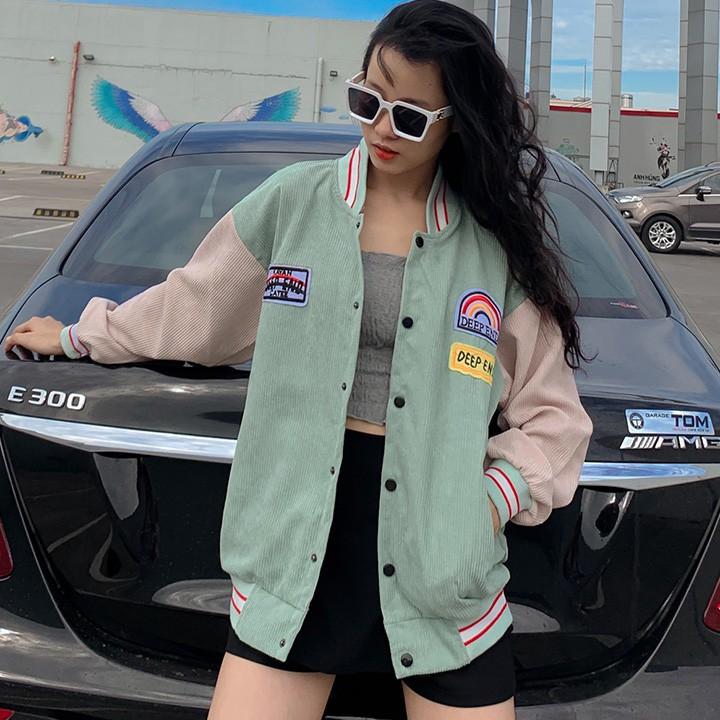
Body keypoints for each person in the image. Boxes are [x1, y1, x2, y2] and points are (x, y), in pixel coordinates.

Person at [3, 1, 594, 718]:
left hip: (445, 568)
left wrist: (488, 504)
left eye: (410, 117)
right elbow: (194, 306)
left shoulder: (490, 248)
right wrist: (77, 335)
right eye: (368, 100)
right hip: (297, 560)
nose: (382, 127)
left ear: (456, 122)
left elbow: (555, 417)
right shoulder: (292, 205)